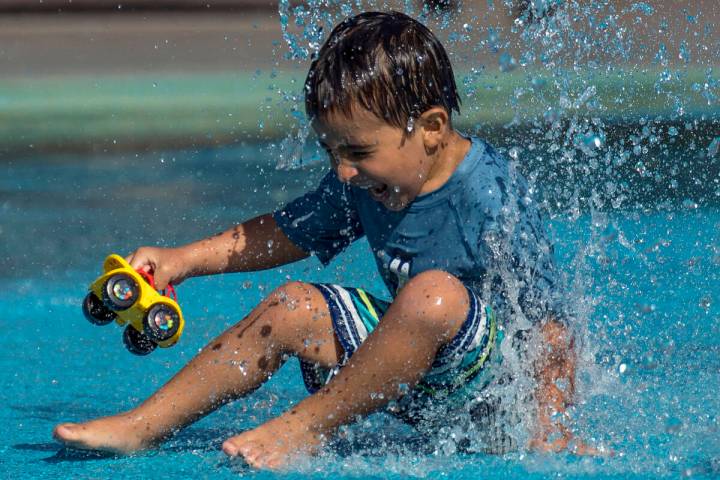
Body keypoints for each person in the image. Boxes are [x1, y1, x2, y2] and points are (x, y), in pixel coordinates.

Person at [53, 11, 590, 469]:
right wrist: (183, 261)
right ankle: (142, 426)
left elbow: (551, 324)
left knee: (434, 295)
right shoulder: (363, 179)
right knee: (290, 306)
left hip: (495, 391)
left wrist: (552, 429)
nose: (344, 171)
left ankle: (307, 427)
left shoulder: (489, 196)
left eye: (356, 152)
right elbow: (285, 232)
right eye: (332, 153)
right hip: (414, 381)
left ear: (430, 127)